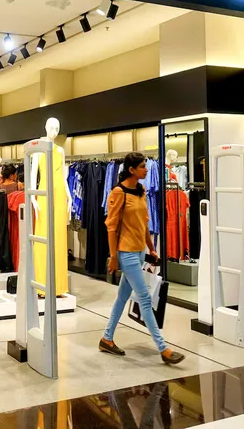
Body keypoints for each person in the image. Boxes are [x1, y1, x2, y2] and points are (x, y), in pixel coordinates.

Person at [99, 152, 185, 365]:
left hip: (139, 251)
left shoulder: (141, 191)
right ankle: (163, 349)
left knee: (122, 297)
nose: (147, 170)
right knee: (145, 299)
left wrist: (151, 248)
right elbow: (111, 227)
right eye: (143, 167)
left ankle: (106, 339)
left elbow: (144, 222)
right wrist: (113, 256)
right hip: (125, 252)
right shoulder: (118, 193)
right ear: (131, 170)